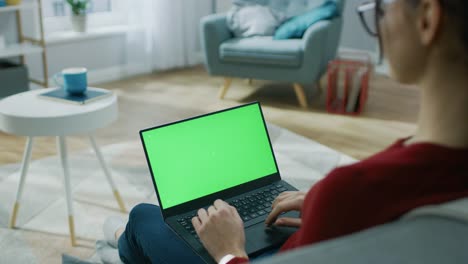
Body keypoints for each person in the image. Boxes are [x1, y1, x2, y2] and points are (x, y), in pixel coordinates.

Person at [103, 0, 468, 263]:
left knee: (143, 218)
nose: (379, 22)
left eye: (381, 9)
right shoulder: (397, 184)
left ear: (427, 19)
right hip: (310, 237)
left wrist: (230, 251)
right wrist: (322, 204)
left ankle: (124, 246)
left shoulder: (355, 192)